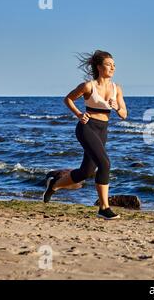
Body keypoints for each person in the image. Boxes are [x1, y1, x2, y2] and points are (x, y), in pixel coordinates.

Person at [43, 50, 128, 220]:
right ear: (99, 67)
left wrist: (116, 107)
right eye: (108, 64)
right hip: (86, 128)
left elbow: (124, 114)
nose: (113, 67)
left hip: (102, 130)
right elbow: (68, 99)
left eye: (114, 65)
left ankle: (54, 185)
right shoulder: (88, 86)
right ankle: (103, 208)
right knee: (105, 163)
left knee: (86, 171)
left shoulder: (116, 88)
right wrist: (79, 114)